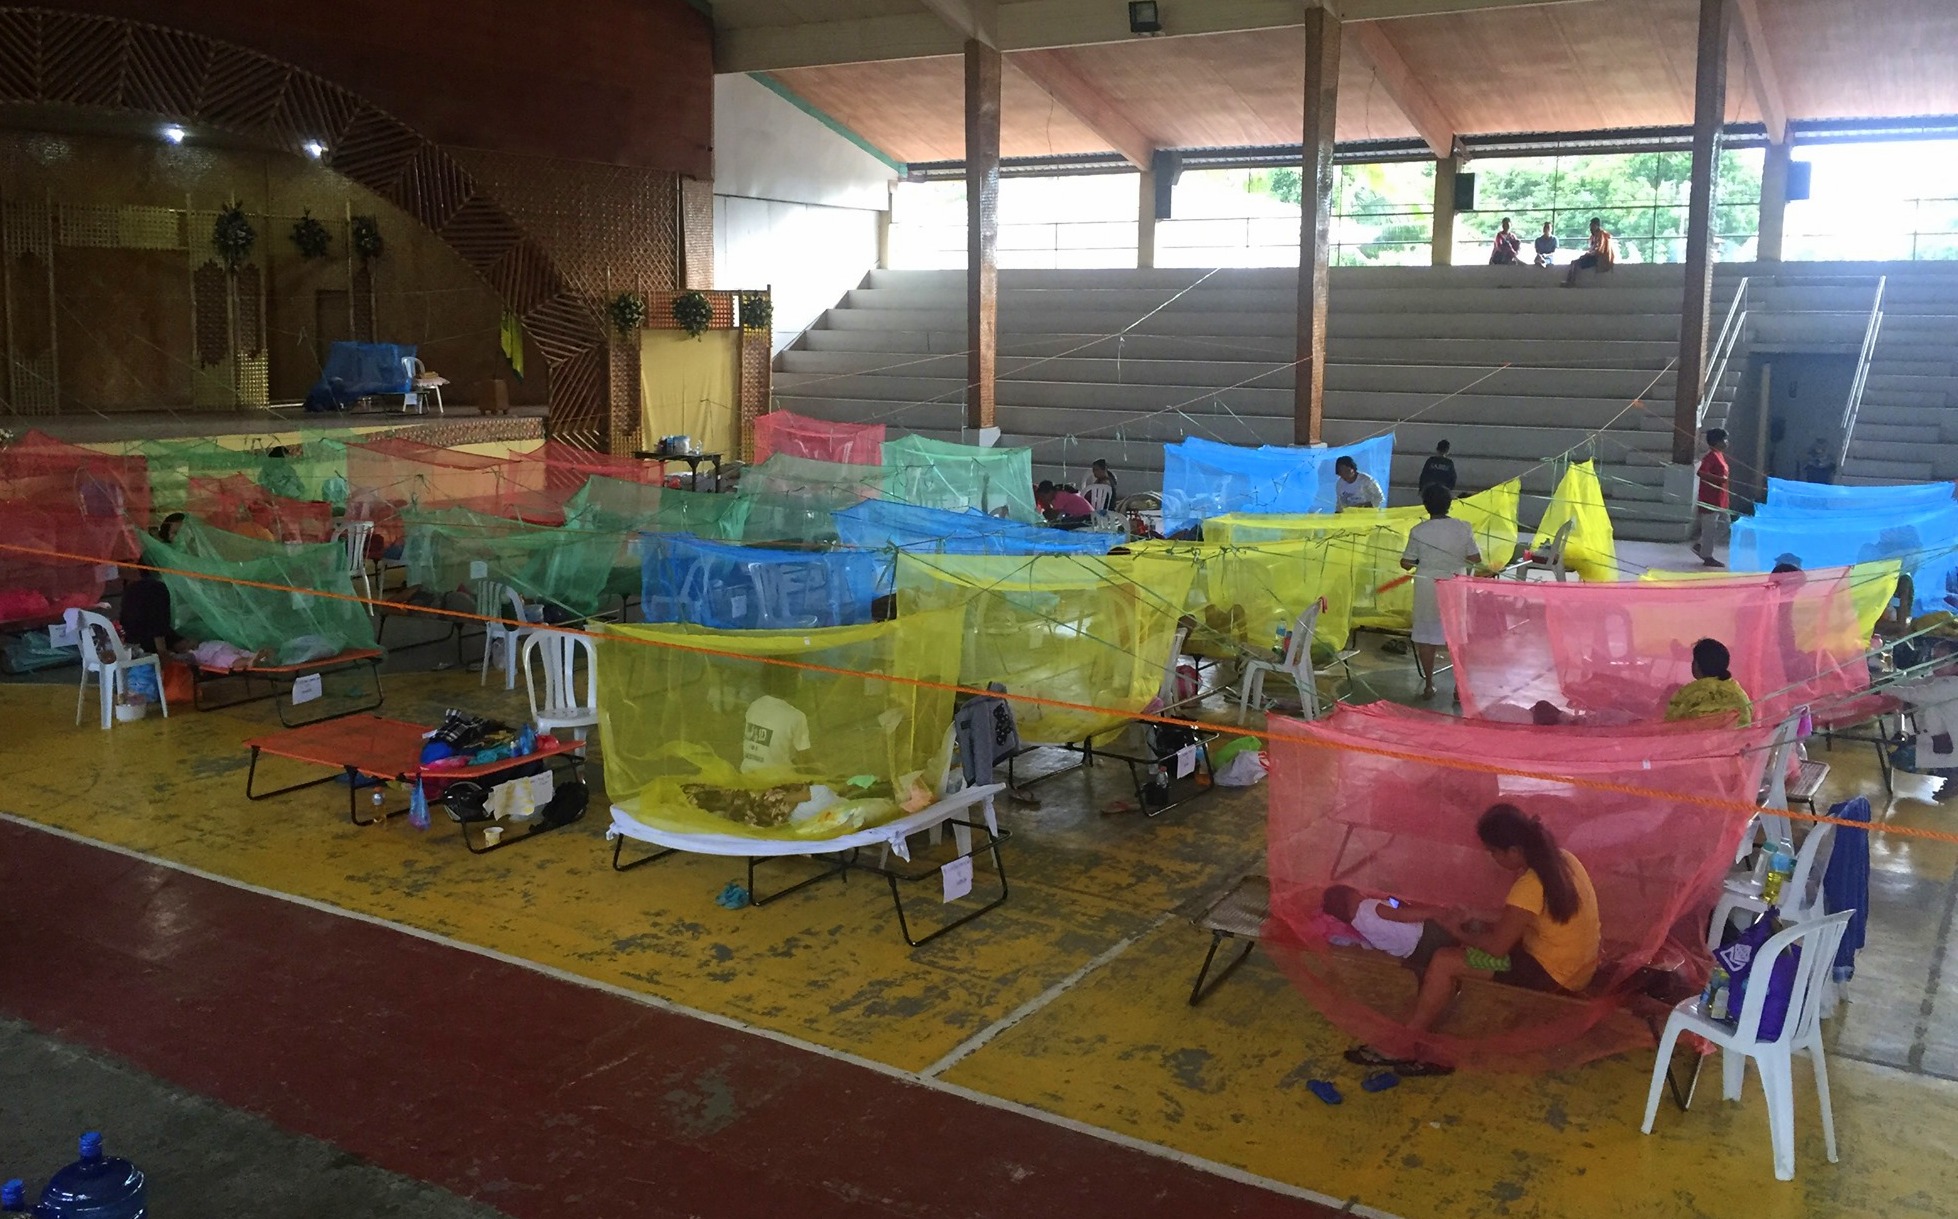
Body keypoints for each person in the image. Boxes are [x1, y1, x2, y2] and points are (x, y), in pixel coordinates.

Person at [1344, 804, 1601, 1075]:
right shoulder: (1563, 859)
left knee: (1445, 960)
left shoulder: (1528, 886)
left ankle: (1404, 1043)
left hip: (1551, 973)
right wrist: (1476, 920)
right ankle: (1437, 996)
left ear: (1513, 851)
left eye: (1493, 852)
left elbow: (1497, 948)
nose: (1492, 858)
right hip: (1580, 965)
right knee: (1472, 940)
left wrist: (1458, 931)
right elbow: (1522, 917)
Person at [1401, 483, 1483, 699]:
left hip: (1427, 585)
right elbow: (1475, 558)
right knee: (1457, 635)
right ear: (1449, 505)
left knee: (1426, 635)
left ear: (1426, 506)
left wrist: (1423, 558)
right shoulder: (1463, 527)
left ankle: (1429, 685)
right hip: (1455, 584)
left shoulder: (1418, 530)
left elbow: (1406, 563)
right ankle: (1459, 688)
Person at [1665, 637, 1753, 726]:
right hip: (1735, 739)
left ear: (1696, 665)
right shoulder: (1740, 695)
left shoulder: (1686, 695)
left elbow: (1670, 727)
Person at [1690, 427, 1730, 568]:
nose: (1727, 442)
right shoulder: (1710, 456)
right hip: (1710, 499)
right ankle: (1707, 556)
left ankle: (1701, 545)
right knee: (1710, 529)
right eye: (1724, 439)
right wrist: (1719, 478)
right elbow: (1701, 473)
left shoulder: (1719, 455)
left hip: (1720, 499)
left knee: (1725, 525)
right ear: (1716, 442)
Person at [1563, 217, 1615, 286]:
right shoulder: (1593, 236)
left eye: (1593, 226)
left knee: (1575, 263)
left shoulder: (1602, 235)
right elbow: (1592, 249)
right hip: (1594, 256)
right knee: (1574, 262)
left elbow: (1599, 250)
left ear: (1597, 226)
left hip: (1599, 259)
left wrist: (1588, 254)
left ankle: (1571, 282)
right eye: (1591, 225)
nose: (1591, 227)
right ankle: (1569, 280)